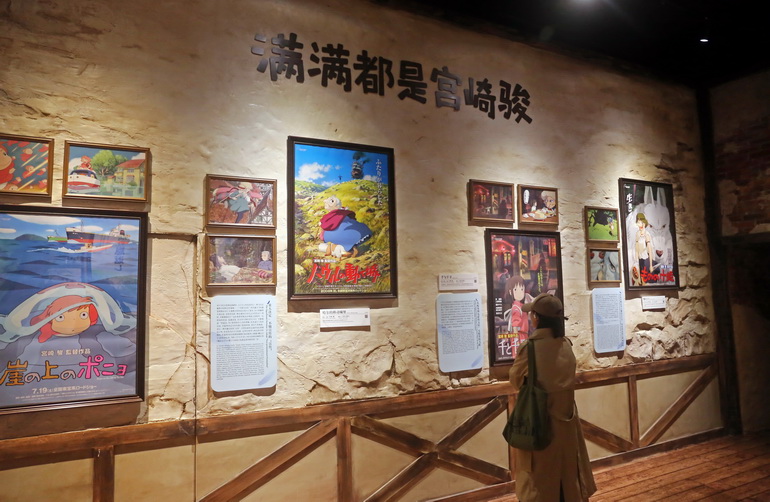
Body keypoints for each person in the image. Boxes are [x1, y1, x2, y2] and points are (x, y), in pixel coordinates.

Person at [508, 293, 596, 502]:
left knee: (539, 477)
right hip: (567, 420)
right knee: (568, 472)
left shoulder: (530, 348)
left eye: (532, 314)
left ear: (537, 318)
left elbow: (516, 380)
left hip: (539, 422)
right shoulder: (566, 344)